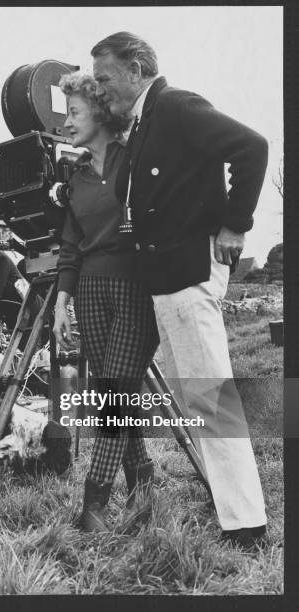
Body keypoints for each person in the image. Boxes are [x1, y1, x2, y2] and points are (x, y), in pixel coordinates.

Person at [90, 31, 268, 547]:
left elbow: (251, 146)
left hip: (190, 272)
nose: (101, 90)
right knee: (199, 398)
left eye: (105, 78)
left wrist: (236, 224)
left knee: (211, 398)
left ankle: (245, 525)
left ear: (137, 67)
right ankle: (233, 508)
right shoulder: (146, 121)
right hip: (168, 280)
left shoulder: (175, 105)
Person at [53, 72, 159, 532]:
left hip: (136, 287)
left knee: (115, 393)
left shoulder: (133, 161)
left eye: (74, 111)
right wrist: (61, 303)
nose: (67, 121)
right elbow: (70, 248)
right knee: (114, 393)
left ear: (99, 111)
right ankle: (142, 480)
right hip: (90, 292)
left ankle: (93, 504)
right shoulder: (75, 179)